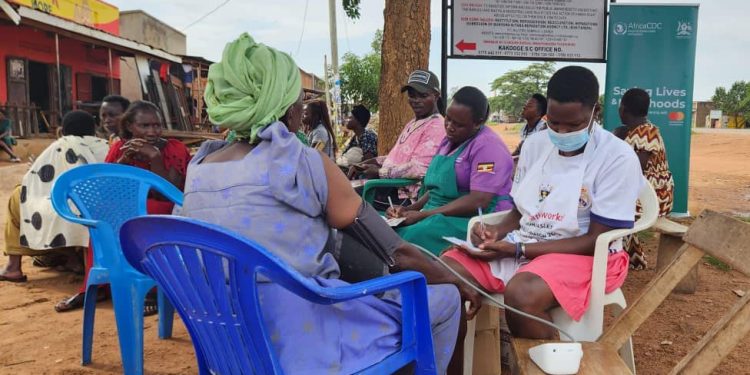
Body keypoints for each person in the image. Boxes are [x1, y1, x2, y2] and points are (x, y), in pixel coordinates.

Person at [188, 33, 479, 374]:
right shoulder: (302, 161)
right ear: (283, 104)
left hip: (228, 342)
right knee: (442, 300)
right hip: (304, 344)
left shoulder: (199, 168)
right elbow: (395, 252)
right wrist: (458, 282)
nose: (301, 106)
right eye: (296, 97)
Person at [440, 66, 643, 339]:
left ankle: (549, 361)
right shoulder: (535, 145)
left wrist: (518, 249)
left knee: (522, 293)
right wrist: (494, 233)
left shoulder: (617, 157)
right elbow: (520, 211)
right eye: (554, 122)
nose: (562, 132)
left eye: (574, 125)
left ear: (596, 112)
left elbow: (596, 240)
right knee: (445, 271)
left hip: (588, 254)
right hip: (525, 243)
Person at [56, 101, 191, 313]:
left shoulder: (174, 149)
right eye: (144, 126)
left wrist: (154, 158)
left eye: (156, 125)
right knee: (103, 219)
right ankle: (98, 286)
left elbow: (170, 192)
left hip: (163, 210)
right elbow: (104, 188)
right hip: (125, 211)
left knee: (147, 212)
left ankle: (154, 288)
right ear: (129, 126)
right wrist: (124, 159)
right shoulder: (120, 147)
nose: (152, 131)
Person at [386, 86, 514, 255]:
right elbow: (436, 189)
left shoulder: (488, 147)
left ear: (478, 123)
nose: (450, 127)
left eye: (459, 124)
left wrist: (424, 215)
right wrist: (409, 211)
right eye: (448, 119)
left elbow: (479, 201)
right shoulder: (449, 141)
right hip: (439, 214)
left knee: (410, 240)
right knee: (388, 231)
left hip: (476, 221)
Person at [1, 110, 109, 282]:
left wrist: (33, 167)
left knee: (19, 195)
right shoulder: (106, 145)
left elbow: (35, 180)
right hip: (101, 213)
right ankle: (74, 260)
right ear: (94, 130)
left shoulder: (61, 145)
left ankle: (13, 267)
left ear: (63, 131)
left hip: (69, 213)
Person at [348, 70, 446, 201]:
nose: (416, 100)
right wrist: (370, 163)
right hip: (388, 186)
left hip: (404, 194)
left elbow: (419, 169)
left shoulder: (437, 126)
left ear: (436, 95)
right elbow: (398, 158)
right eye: (412, 95)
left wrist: (379, 172)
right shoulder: (413, 123)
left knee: (341, 196)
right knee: (338, 185)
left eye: (423, 95)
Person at [614, 88, 675, 269]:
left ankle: (624, 259)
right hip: (642, 195)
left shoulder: (646, 133)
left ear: (623, 109)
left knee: (610, 210)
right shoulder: (636, 131)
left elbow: (635, 170)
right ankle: (631, 258)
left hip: (655, 198)